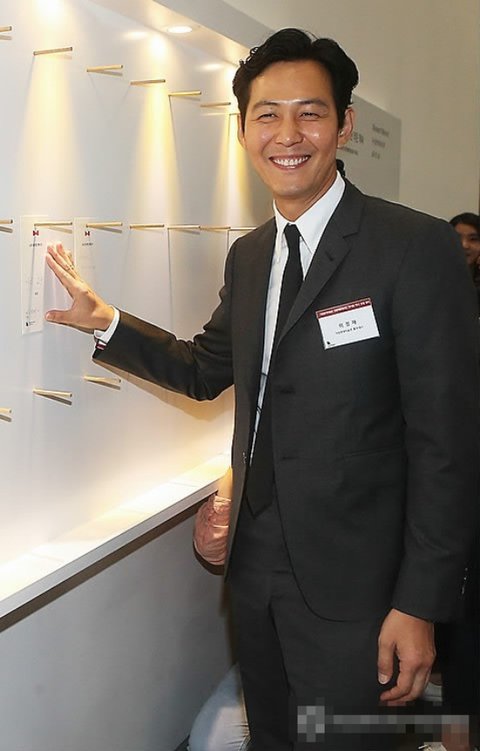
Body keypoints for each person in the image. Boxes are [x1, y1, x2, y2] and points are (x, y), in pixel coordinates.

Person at [45, 28, 480, 751]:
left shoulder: (413, 247)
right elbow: (204, 367)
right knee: (273, 738)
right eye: (267, 115)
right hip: (254, 571)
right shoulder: (251, 256)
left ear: (344, 124)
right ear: (244, 130)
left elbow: (449, 444)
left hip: (364, 589)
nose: (288, 134)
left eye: (310, 113)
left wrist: (421, 602)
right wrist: (108, 321)